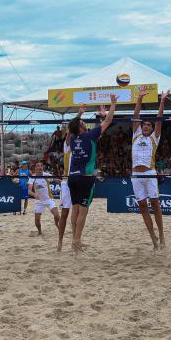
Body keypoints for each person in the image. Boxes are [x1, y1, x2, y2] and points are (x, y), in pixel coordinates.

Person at [66, 96, 117, 252]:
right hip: (85, 178)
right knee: (83, 210)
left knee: (75, 210)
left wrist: (79, 114)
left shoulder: (73, 139)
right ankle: (76, 241)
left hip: (72, 177)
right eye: (82, 123)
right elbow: (108, 121)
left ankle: (75, 241)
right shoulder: (89, 135)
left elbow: (70, 130)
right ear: (81, 128)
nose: (84, 123)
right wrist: (113, 104)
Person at [130, 87, 169, 249]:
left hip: (150, 173)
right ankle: (153, 237)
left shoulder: (154, 138)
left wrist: (163, 101)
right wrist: (139, 98)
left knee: (155, 204)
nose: (146, 126)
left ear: (152, 129)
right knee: (142, 206)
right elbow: (135, 116)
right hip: (135, 175)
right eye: (144, 124)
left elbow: (159, 118)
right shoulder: (136, 134)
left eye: (148, 125)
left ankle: (161, 234)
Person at [57, 106, 85, 252]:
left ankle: (76, 241)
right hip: (67, 181)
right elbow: (70, 131)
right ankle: (60, 242)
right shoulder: (68, 144)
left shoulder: (83, 143)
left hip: (79, 180)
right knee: (65, 213)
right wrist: (78, 114)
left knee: (79, 212)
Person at [28, 161, 60, 236]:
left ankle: (57, 225)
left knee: (57, 215)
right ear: (35, 168)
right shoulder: (32, 177)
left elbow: (56, 180)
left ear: (43, 167)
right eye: (38, 166)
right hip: (39, 201)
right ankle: (39, 231)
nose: (40, 167)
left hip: (49, 199)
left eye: (41, 166)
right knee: (37, 220)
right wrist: (34, 194)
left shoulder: (46, 175)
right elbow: (29, 191)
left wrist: (63, 181)